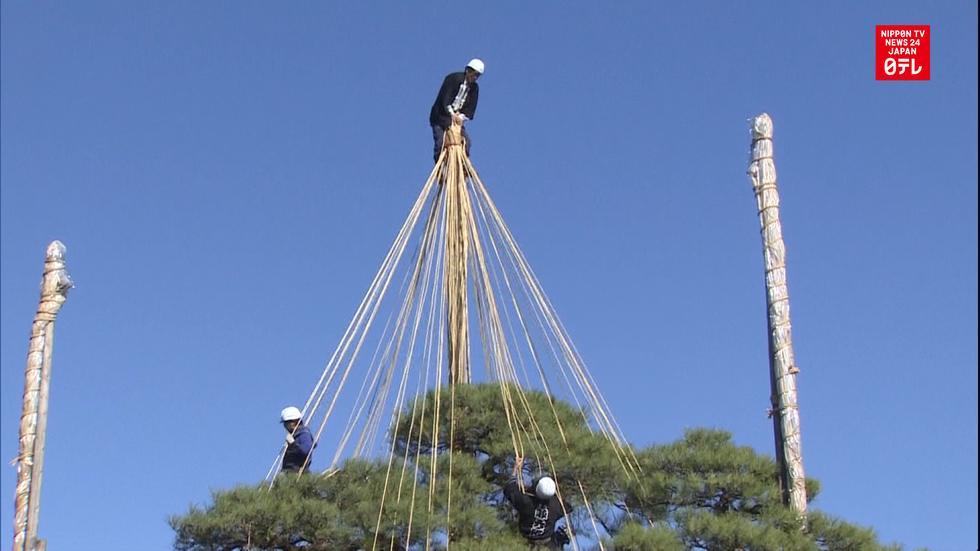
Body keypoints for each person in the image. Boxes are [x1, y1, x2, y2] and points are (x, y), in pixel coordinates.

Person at [503, 456, 573, 548]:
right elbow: (568, 507)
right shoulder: (556, 506)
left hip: (525, 544)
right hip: (548, 545)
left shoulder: (526, 502)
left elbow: (510, 489)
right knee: (559, 538)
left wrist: (515, 469)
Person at [429, 58, 483, 163]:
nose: (475, 77)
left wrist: (460, 117)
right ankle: (440, 167)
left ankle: (463, 165)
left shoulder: (474, 89)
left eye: (477, 76)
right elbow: (444, 99)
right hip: (441, 117)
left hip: (456, 120)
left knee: (466, 141)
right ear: (468, 71)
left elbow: (470, 110)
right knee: (441, 143)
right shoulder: (453, 79)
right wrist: (451, 113)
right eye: (474, 74)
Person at [279, 406, 315, 473]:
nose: (285, 426)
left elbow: (305, 451)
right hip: (290, 473)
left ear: (294, 421)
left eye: (286, 423)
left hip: (298, 472)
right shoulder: (296, 435)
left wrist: (293, 443)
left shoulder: (304, 434)